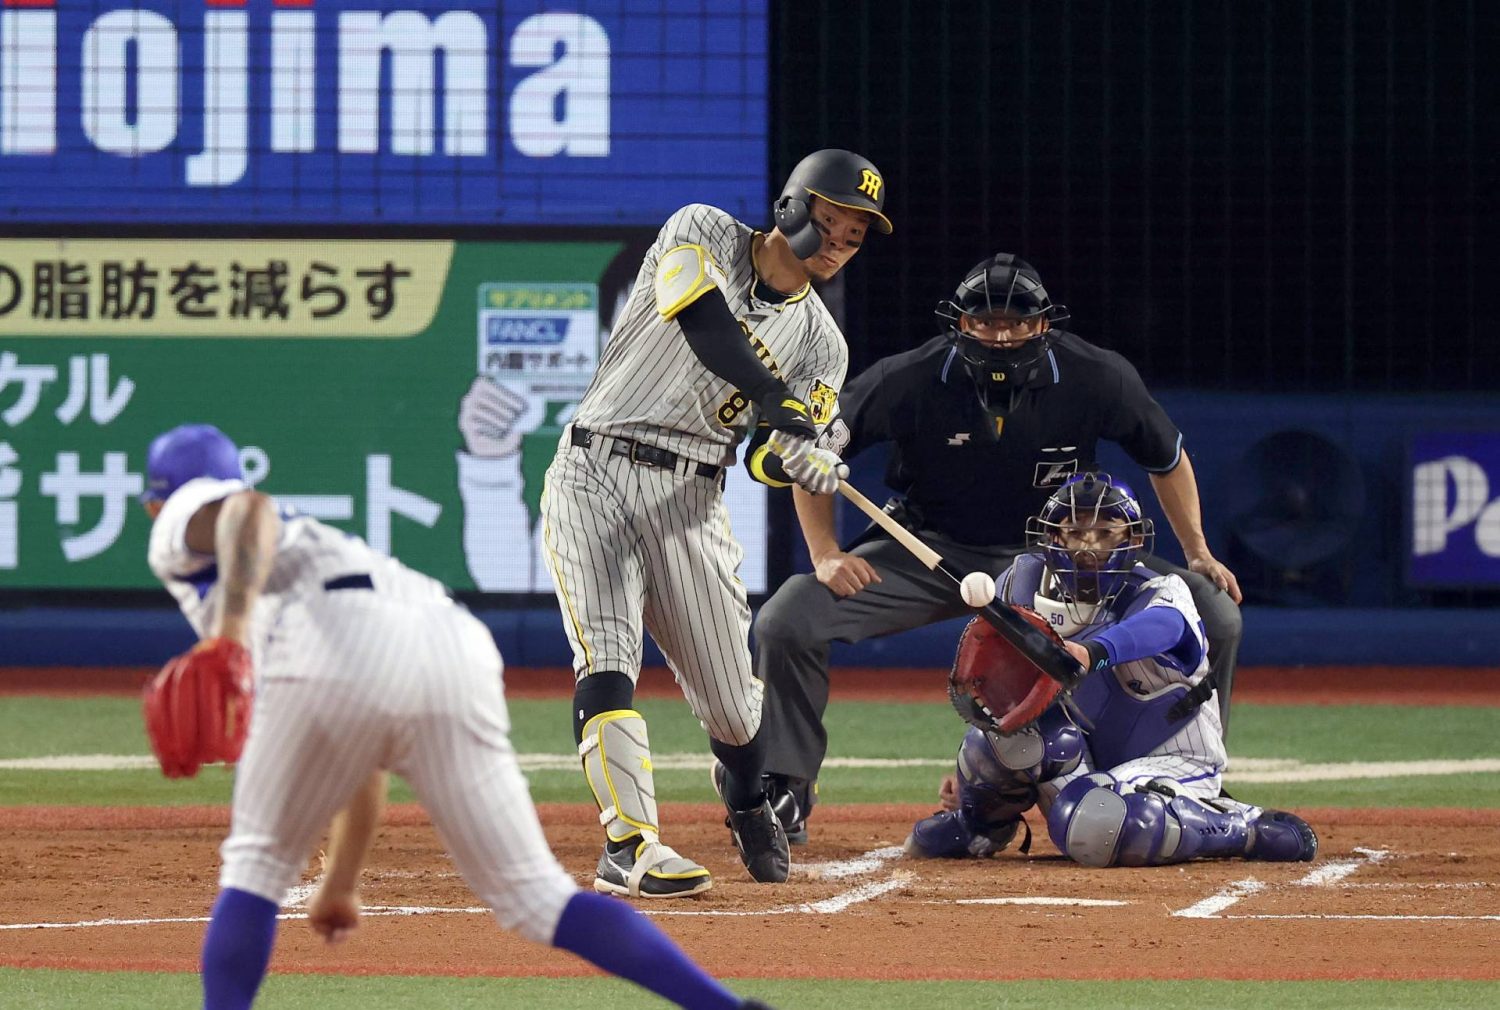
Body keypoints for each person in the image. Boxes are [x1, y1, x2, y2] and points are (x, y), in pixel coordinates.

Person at [138, 423, 774, 1010]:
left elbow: (245, 513)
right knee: (538, 900)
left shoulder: (182, 521)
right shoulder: (314, 544)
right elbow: (360, 734)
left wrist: (223, 638)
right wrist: (339, 880)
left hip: (323, 644)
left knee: (254, 867)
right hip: (448, 645)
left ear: (154, 502)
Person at [749, 253, 1244, 844]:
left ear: (1044, 324)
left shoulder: (1095, 374)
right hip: (926, 549)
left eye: (1016, 322)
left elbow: (1166, 458)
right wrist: (825, 552)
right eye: (985, 322)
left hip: (1064, 560)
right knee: (788, 619)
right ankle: (783, 790)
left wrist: (1197, 551)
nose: (1001, 334)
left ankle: (1190, 781)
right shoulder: (905, 378)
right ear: (958, 323)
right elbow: (816, 456)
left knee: (1214, 613)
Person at [539, 149, 891, 894]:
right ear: (791, 208)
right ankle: (628, 845)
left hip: (693, 502)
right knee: (606, 657)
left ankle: (745, 795)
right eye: (830, 221)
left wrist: (796, 458)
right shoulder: (701, 230)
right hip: (595, 469)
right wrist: (774, 396)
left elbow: (765, 457)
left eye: (855, 236)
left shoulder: (825, 345)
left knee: (735, 710)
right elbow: (700, 317)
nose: (838, 243)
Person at [903, 472, 1316, 867]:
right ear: (1053, 536)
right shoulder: (1019, 585)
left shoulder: (1160, 592)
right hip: (1083, 764)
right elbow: (1004, 693)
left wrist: (1089, 652)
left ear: (1132, 539)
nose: (1088, 546)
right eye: (1076, 530)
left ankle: (1242, 827)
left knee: (1098, 823)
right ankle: (978, 829)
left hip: (1168, 763)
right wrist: (973, 780)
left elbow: (1160, 627)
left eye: (1105, 532)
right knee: (992, 741)